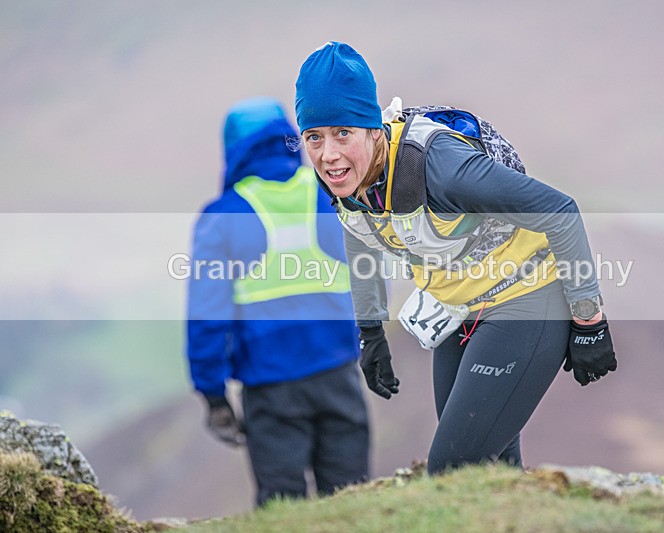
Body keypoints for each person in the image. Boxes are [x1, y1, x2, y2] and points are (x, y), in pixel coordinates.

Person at [293, 42, 618, 475]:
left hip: (526, 300)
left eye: (343, 133)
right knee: (489, 474)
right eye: (314, 136)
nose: (328, 153)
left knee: (451, 470)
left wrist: (589, 322)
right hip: (455, 309)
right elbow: (360, 237)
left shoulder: (437, 166)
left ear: (373, 128)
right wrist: (370, 332)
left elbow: (559, 211)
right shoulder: (343, 181)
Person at [186, 97, 369, 506]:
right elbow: (369, 275)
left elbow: (206, 316)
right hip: (339, 374)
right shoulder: (330, 196)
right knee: (351, 500)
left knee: (283, 508)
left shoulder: (222, 217)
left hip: (270, 389)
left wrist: (213, 395)